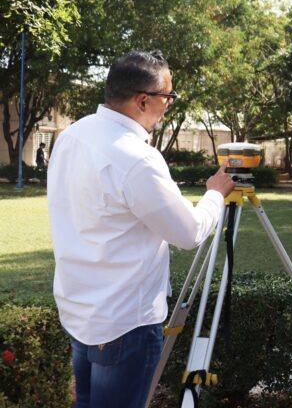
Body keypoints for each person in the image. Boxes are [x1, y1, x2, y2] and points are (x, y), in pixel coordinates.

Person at [47, 50, 235, 408]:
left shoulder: (74, 135)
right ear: (143, 100)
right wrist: (215, 194)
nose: (169, 105)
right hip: (123, 322)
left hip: (79, 309)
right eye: (168, 96)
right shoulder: (136, 158)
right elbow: (189, 233)